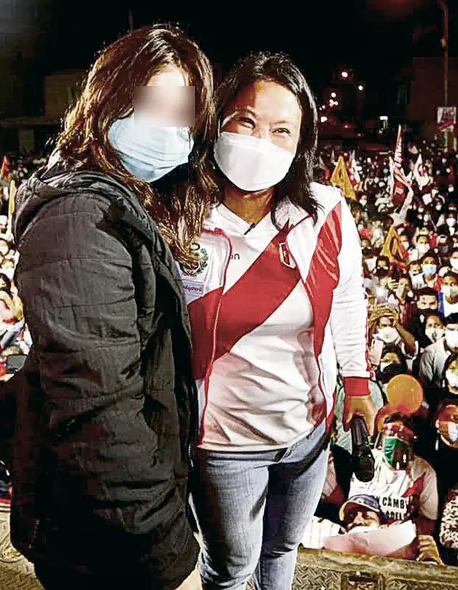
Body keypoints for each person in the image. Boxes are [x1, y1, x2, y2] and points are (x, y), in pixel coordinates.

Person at [0, 25, 216, 590]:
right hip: (103, 542)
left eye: (181, 115)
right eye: (147, 106)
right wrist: (169, 559)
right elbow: (101, 416)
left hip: (109, 529)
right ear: (106, 104)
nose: (166, 130)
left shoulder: (130, 205)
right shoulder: (80, 224)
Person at [182, 53, 376, 590]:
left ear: (300, 143)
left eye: (281, 130)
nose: (260, 141)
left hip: (308, 431)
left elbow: (346, 300)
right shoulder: (182, 217)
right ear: (216, 122)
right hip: (223, 441)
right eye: (245, 121)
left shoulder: (325, 210)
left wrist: (357, 383)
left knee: (282, 549)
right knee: (231, 568)